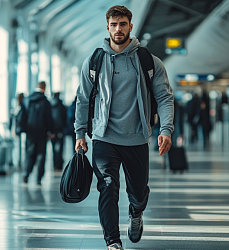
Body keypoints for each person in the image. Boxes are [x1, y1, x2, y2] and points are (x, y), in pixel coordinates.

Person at [74, 5, 174, 250]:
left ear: (131, 26)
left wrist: (165, 129)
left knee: (138, 192)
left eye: (123, 24)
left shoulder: (149, 61)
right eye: (114, 24)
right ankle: (113, 242)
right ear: (107, 27)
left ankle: (136, 213)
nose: (118, 29)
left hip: (137, 138)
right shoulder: (94, 61)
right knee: (107, 188)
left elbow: (164, 97)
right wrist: (79, 133)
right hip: (103, 138)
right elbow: (83, 98)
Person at [23, 81, 54, 185]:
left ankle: (27, 174)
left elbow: (23, 115)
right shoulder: (45, 101)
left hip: (30, 132)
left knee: (29, 153)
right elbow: (48, 118)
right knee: (41, 154)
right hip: (42, 132)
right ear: (44, 88)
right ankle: (38, 178)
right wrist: (51, 131)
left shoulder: (27, 100)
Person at [50, 92, 67, 171]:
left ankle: (54, 165)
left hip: (52, 131)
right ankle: (59, 164)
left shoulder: (50, 105)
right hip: (60, 131)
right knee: (60, 148)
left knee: (54, 148)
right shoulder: (62, 106)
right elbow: (65, 118)